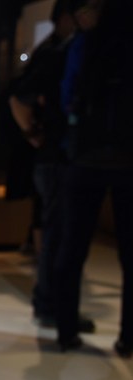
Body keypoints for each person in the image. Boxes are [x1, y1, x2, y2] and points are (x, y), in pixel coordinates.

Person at [8, 0, 95, 333]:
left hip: (56, 159)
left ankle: (51, 304)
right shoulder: (56, 55)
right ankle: (49, 305)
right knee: (57, 237)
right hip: (56, 159)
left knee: (54, 234)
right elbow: (17, 98)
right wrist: (34, 135)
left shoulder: (59, 51)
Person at [54, 0, 133, 357]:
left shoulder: (85, 44)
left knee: (72, 249)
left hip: (85, 157)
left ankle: (66, 331)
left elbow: (67, 95)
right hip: (129, 161)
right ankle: (128, 338)